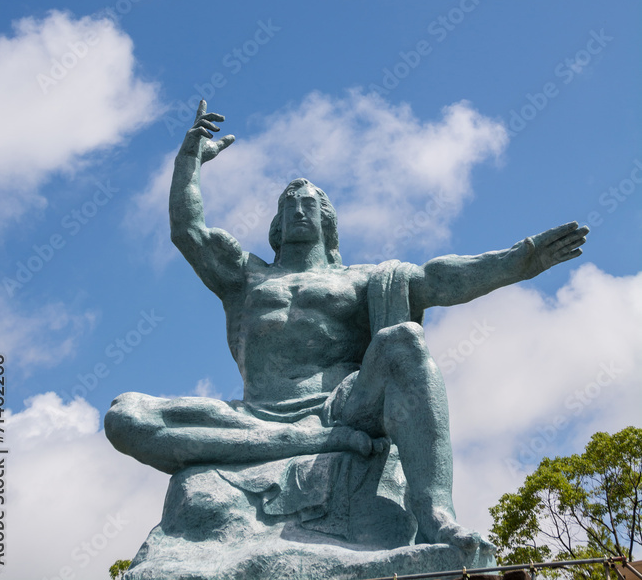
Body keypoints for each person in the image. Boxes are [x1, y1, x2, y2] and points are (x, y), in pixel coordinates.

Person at [105, 102, 588, 553]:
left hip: (343, 407)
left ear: (327, 222)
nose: (299, 209)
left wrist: (520, 260)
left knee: (404, 341)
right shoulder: (244, 278)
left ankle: (435, 513)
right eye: (288, 204)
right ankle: (307, 443)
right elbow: (188, 231)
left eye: (310, 204)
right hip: (256, 417)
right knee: (125, 416)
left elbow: (439, 278)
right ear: (276, 225)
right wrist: (188, 161)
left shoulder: (363, 280)